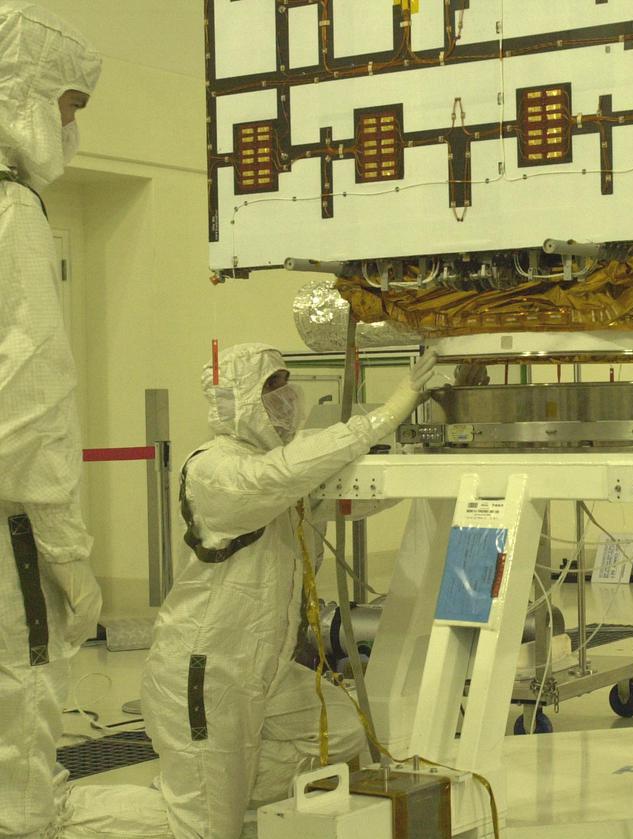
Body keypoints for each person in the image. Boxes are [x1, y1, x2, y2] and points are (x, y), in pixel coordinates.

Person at [59, 343, 480, 839]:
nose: (287, 401)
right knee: (204, 833)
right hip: (206, 675)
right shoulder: (215, 470)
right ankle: (55, 813)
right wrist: (389, 411)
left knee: (340, 730)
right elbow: (279, 476)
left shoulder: (278, 473)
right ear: (238, 402)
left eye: (286, 387)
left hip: (265, 672)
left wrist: (445, 429)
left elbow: (359, 496)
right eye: (271, 391)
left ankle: (210, 792)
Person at [0, 3, 102, 836]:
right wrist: (69, 554)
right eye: (70, 102)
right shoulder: (14, 213)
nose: (72, 124)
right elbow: (31, 404)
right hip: (8, 532)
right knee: (22, 712)